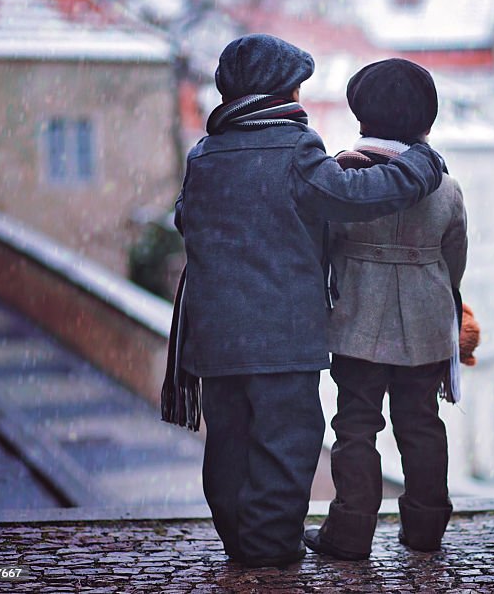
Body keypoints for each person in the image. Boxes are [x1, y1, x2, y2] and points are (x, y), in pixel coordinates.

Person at [166, 36, 444, 568]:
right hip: (279, 332)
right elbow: (357, 195)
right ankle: (269, 554)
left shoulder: (205, 153)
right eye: (296, 85)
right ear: (280, 91)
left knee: (230, 443)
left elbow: (187, 220)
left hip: (213, 333)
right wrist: (421, 164)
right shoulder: (295, 149)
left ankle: (241, 543)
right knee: (284, 442)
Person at [302, 58, 468, 561]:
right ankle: (425, 526)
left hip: (356, 322)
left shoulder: (343, 182)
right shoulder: (445, 188)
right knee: (420, 424)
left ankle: (351, 529)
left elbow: (322, 247)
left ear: (361, 119)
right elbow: (453, 261)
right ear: (427, 125)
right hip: (426, 324)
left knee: (355, 426)